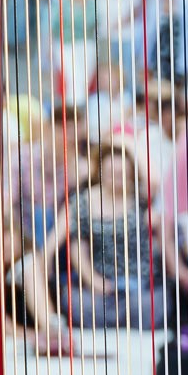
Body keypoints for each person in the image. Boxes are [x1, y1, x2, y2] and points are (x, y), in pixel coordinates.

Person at [43, 141, 166, 329]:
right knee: (80, 304)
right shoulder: (83, 201)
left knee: (149, 305)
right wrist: (94, 281)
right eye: (112, 173)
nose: (117, 178)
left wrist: (127, 141)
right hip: (97, 290)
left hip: (139, 288)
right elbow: (77, 248)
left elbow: (156, 180)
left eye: (122, 173)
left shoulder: (142, 200)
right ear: (100, 173)